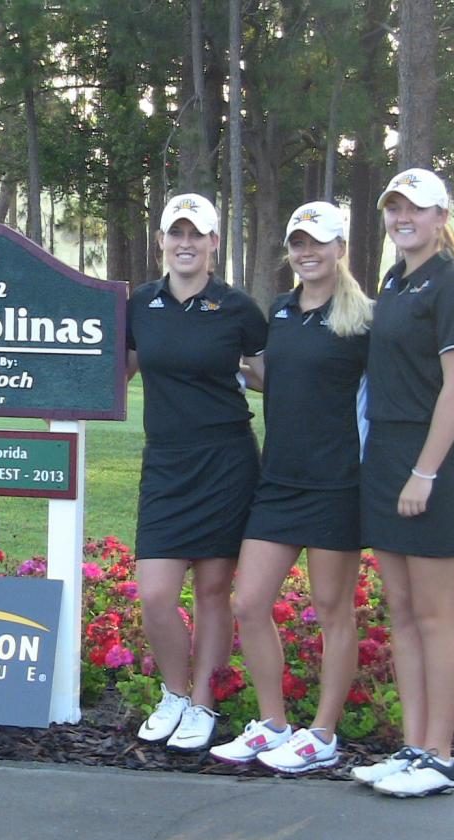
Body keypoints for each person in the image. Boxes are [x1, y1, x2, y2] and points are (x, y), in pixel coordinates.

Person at [210, 201, 370, 772]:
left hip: (337, 484)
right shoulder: (279, 311)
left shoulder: (363, 319)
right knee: (249, 603)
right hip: (277, 481)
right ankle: (274, 724)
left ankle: (322, 734)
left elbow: (404, 376)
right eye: (299, 243)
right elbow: (274, 376)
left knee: (333, 610)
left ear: (340, 249)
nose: (307, 253)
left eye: (319, 243)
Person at [350, 168, 454, 798]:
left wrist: (424, 473)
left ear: (440, 217)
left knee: (434, 614)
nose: (403, 218)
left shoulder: (452, 286)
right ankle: (412, 748)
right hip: (384, 455)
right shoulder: (394, 281)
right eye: (394, 208)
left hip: (429, 463)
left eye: (415, 209)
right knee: (400, 611)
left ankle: (441, 756)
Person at [127, 193, 268, 752]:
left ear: (214, 242)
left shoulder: (237, 308)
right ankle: (175, 693)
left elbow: (269, 372)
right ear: (161, 241)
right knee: (156, 595)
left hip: (226, 459)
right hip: (166, 461)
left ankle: (204, 704)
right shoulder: (141, 304)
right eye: (175, 232)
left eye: (197, 233)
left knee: (213, 592)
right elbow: (121, 368)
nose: (185, 243)